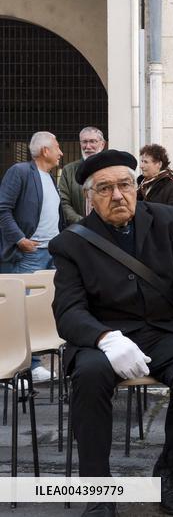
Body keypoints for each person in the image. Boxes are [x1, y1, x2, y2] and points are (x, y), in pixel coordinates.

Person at [49, 149, 173, 517]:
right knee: (88, 376)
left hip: (164, 328)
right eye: (105, 189)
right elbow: (68, 311)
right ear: (90, 197)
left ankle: (170, 471)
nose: (118, 195)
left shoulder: (166, 220)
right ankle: (99, 490)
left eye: (124, 184)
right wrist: (105, 339)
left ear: (137, 187)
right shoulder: (71, 242)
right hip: (106, 335)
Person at [0, 130, 64, 382]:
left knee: (42, 309)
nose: (60, 152)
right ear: (45, 150)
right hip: (29, 254)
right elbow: (3, 208)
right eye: (57, 147)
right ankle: (25, 365)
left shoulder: (49, 177)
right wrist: (20, 240)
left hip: (50, 253)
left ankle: (34, 363)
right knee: (22, 309)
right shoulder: (21, 171)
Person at [59, 126, 106, 227]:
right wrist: (81, 222)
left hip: (107, 228)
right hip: (78, 230)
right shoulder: (68, 170)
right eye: (84, 142)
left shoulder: (111, 169)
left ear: (102, 144)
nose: (88, 146)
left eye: (93, 141)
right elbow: (63, 202)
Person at [137, 144, 173, 213]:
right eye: (142, 161)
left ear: (159, 164)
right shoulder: (141, 185)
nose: (141, 166)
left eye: (146, 162)